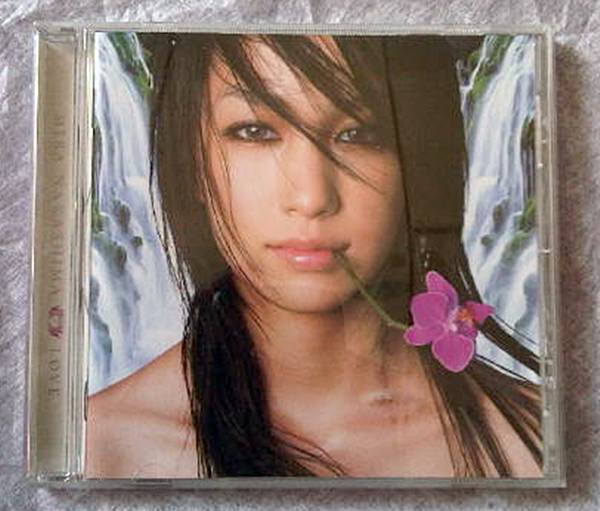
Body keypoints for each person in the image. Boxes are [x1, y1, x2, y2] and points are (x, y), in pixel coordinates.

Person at [86, 33, 542, 479]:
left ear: (416, 166)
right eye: (255, 131)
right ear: (192, 160)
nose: (310, 198)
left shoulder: (531, 441)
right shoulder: (101, 447)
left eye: (358, 134)